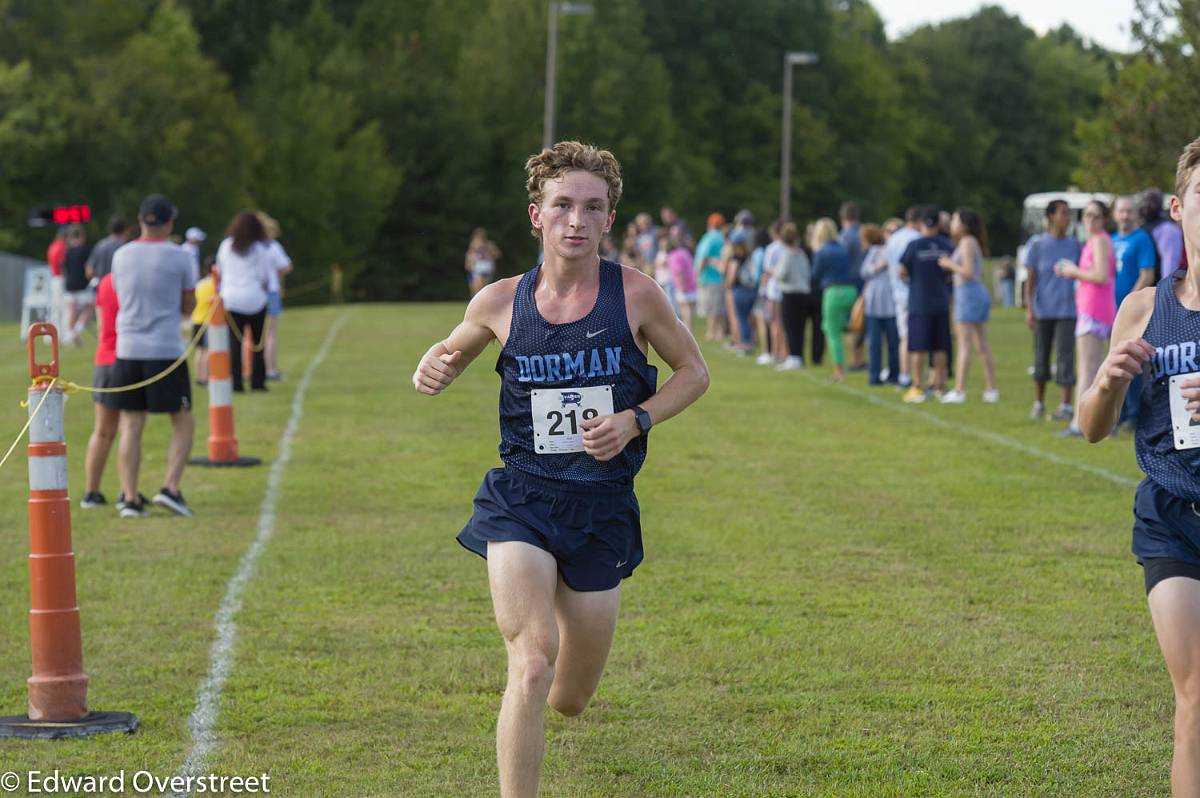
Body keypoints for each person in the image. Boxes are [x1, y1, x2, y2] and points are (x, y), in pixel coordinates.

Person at [411, 140, 708, 798]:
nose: (577, 219)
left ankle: (552, 702)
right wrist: (431, 364)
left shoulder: (636, 296)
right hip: (522, 502)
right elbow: (451, 353)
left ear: (609, 220)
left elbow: (694, 373)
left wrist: (637, 419)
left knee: (570, 698)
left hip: (602, 508)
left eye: (592, 208)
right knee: (532, 660)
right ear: (536, 216)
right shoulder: (497, 300)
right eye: (563, 205)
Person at [1078, 136, 1200, 797]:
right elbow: (1094, 428)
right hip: (1172, 519)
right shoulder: (1146, 307)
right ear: (1179, 208)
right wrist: (1106, 383)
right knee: (1195, 696)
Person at [110, 194, 196, 518]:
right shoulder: (180, 256)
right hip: (165, 348)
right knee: (183, 419)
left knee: (131, 423)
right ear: (170, 222)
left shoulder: (121, 255)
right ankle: (170, 488)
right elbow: (188, 304)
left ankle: (129, 496)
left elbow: (119, 294)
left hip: (128, 348)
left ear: (141, 219)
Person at [1055, 200, 1116, 436]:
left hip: (1094, 311)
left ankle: (1080, 423)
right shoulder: (1094, 241)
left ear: (1103, 219)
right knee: (1091, 368)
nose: (1089, 220)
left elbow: (1101, 275)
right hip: (1091, 308)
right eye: (1086, 215)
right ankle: (1090, 421)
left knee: (1088, 369)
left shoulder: (1100, 240)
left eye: (1095, 215)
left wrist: (1073, 271)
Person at [1024, 199, 1081, 421]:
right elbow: (1030, 281)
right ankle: (1039, 402)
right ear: (1050, 216)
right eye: (1064, 213)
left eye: (1069, 214)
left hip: (1068, 310)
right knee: (1041, 356)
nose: (1067, 218)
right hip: (1043, 310)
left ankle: (1066, 405)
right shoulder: (1037, 245)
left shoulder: (1075, 245)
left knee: (1066, 357)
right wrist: (1029, 308)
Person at [937, 208, 998, 404]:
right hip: (973, 294)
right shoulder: (970, 242)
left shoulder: (966, 242)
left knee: (965, 344)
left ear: (963, 224)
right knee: (981, 343)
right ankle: (991, 389)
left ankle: (960, 390)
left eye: (955, 219)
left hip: (968, 294)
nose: (952, 223)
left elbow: (969, 272)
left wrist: (948, 264)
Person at [1112, 195, 1159, 432]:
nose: (1125, 216)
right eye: (1121, 211)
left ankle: (1133, 414)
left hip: (1133, 314)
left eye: (1129, 211)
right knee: (1114, 362)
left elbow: (1147, 274)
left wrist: (1130, 304)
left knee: (1134, 363)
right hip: (1109, 312)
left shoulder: (1141, 239)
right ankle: (1116, 413)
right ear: (1114, 214)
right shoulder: (1110, 240)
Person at [899, 207, 954, 402]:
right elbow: (950, 272)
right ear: (938, 224)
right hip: (940, 301)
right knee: (940, 347)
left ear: (922, 223)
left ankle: (916, 386)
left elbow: (902, 271)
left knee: (918, 347)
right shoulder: (946, 245)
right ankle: (938, 385)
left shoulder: (914, 245)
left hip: (918, 302)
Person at [217, 212, 276, 392]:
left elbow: (220, 271)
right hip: (255, 299)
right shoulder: (258, 249)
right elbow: (265, 276)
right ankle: (258, 382)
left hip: (231, 300)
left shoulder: (226, 246)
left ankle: (236, 382)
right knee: (258, 344)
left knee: (235, 344)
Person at [79, 271, 121, 510]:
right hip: (125, 357)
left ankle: (91, 492)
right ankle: (128, 492)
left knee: (103, 431)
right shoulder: (131, 278)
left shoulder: (105, 282)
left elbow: (101, 321)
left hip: (104, 358)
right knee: (129, 427)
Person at [811, 217, 857, 382]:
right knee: (849, 328)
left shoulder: (822, 251)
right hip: (850, 290)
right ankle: (856, 360)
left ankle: (839, 371)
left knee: (832, 332)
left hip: (834, 291)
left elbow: (815, 274)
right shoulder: (843, 248)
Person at [885, 207, 923, 387]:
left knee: (904, 336)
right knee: (917, 335)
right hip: (914, 292)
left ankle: (904, 374)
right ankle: (915, 375)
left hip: (897, 292)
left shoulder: (893, 238)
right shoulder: (916, 239)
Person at [860, 224, 898, 386]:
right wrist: (878, 266)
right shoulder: (875, 251)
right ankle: (874, 376)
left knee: (893, 342)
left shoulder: (896, 252)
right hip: (874, 304)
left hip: (891, 303)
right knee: (875, 343)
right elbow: (864, 271)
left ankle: (894, 374)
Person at [776, 223, 814, 371]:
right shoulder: (802, 254)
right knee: (801, 326)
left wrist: (774, 272)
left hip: (790, 294)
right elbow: (807, 273)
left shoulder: (787, 255)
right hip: (803, 293)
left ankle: (793, 356)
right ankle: (799, 356)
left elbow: (782, 274)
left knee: (790, 326)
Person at [723, 229, 759, 355]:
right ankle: (751, 341)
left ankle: (744, 345)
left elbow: (731, 278)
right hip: (752, 290)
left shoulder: (735, 258)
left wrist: (727, 285)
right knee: (749, 318)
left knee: (742, 318)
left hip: (740, 291)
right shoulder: (750, 256)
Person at [694, 213, 727, 342]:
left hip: (710, 277)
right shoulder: (721, 238)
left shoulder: (709, 238)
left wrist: (698, 274)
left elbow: (704, 256)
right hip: (718, 276)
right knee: (717, 306)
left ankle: (711, 332)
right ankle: (719, 332)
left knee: (713, 306)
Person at [1141, 188, 1186, 279]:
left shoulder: (1167, 229)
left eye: (1152, 202)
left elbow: (1170, 263)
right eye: (1145, 201)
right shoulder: (1144, 226)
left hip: (1159, 286)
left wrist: (1165, 289)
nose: (1147, 205)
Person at [62, 225, 93, 345]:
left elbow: (64, 269)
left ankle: (70, 335)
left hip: (69, 285)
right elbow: (89, 269)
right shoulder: (87, 250)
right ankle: (77, 330)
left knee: (72, 311)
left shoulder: (67, 252)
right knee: (90, 307)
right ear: (82, 236)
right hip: (83, 285)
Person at [666, 227, 696, 330]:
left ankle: (688, 329)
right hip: (691, 284)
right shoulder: (684, 251)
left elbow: (679, 272)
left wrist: (681, 286)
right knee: (690, 310)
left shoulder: (674, 256)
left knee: (684, 309)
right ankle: (690, 328)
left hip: (683, 286)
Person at [192, 257, 216, 386]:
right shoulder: (215, 285)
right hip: (207, 321)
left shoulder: (199, 284)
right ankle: (205, 378)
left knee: (199, 351)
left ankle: (199, 377)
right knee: (207, 351)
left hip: (196, 320)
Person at [85, 215, 128, 284]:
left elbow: (89, 271)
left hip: (102, 286)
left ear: (109, 229)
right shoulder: (126, 247)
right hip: (121, 286)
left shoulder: (100, 245)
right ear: (125, 229)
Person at [466, 227, 501, 298]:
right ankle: (477, 302)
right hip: (476, 267)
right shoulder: (473, 245)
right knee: (476, 287)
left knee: (483, 287)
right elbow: (470, 255)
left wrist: (489, 252)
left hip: (486, 267)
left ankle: (482, 301)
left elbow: (497, 254)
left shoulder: (489, 244)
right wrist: (468, 263)